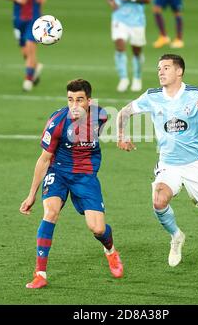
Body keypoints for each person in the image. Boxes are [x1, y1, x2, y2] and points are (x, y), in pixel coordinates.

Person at [116, 54, 198, 278]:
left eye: (166, 68)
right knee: (159, 200)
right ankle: (176, 236)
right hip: (168, 164)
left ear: (179, 71)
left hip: (197, 164)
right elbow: (124, 112)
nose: (160, 72)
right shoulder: (152, 96)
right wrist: (121, 136)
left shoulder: (196, 93)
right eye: (158, 68)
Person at [20, 79, 124, 289]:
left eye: (79, 100)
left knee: (97, 228)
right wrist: (31, 194)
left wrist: (121, 137)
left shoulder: (100, 115)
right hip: (58, 171)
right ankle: (40, 273)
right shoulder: (57, 121)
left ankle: (110, 250)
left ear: (89, 101)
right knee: (50, 212)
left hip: (85, 175)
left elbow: (112, 125)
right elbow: (44, 159)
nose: (74, 105)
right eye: (70, 100)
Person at [0, 0, 52, 92]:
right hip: (18, 19)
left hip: (34, 18)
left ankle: (28, 79)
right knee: (25, 51)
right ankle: (35, 66)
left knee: (30, 47)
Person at [105, 0, 152, 93]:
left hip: (137, 19)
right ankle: (123, 78)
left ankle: (137, 78)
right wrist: (112, 3)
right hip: (119, 18)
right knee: (119, 45)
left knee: (136, 50)